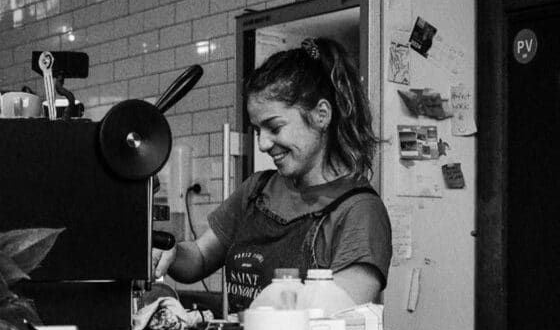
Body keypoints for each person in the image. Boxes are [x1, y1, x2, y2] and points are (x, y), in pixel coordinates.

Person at [153, 36, 392, 313]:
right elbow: (200, 257)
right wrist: (171, 251)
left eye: (275, 127)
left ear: (321, 115)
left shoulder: (360, 211)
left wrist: (264, 313)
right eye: (258, 130)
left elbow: (337, 314)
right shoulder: (256, 190)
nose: (263, 144)